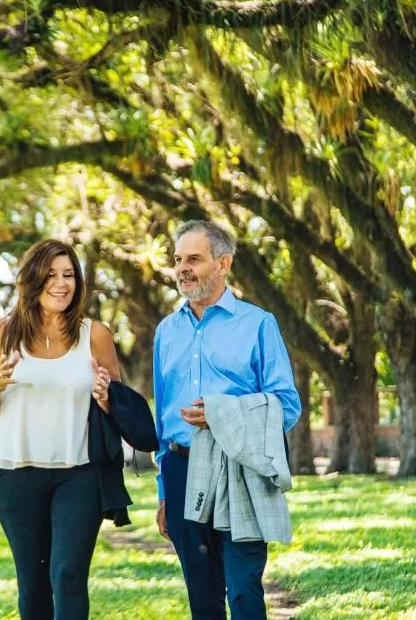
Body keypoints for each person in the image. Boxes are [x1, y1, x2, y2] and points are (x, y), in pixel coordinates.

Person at [0, 239, 127, 620]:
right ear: (33, 281)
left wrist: (106, 397)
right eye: (52, 275)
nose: (61, 283)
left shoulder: (96, 334)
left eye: (69, 275)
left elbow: (119, 408)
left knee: (68, 575)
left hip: (80, 474)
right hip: (14, 475)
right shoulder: (1, 333)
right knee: (33, 582)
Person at [153, 220, 301, 619]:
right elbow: (162, 423)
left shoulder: (258, 324)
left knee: (243, 589)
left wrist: (222, 414)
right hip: (182, 468)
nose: (183, 267)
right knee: (202, 597)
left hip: (240, 470)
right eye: (179, 259)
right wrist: (163, 490)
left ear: (223, 263)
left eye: (194, 259)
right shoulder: (166, 331)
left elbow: (287, 404)